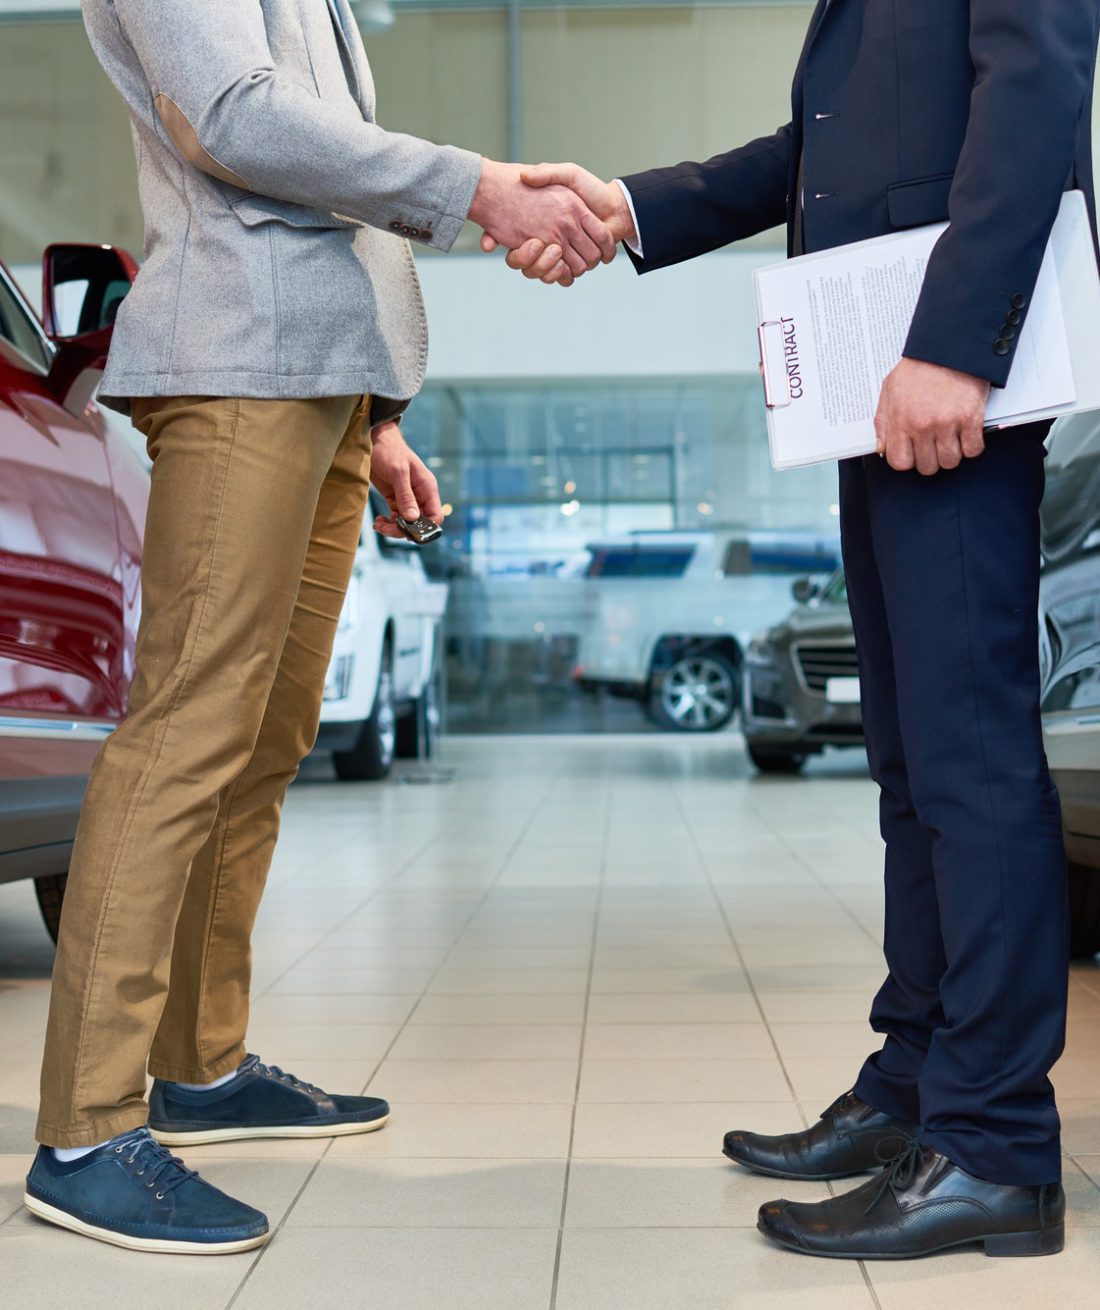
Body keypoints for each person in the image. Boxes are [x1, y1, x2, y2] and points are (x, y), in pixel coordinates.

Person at [500, 0, 1100, 1261]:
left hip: (945, 372)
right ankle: (916, 1091)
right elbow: (829, 140)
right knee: (908, 759)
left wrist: (952, 345)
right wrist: (629, 206)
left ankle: (992, 1146)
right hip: (877, 370)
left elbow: (1036, 88)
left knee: (968, 757)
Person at [25, 0, 613, 1256]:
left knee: (267, 734)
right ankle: (83, 1128)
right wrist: (478, 190)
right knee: (186, 731)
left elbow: (324, 159)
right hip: (239, 364)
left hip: (325, 383)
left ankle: (199, 1060)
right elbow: (238, 120)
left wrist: (379, 418)